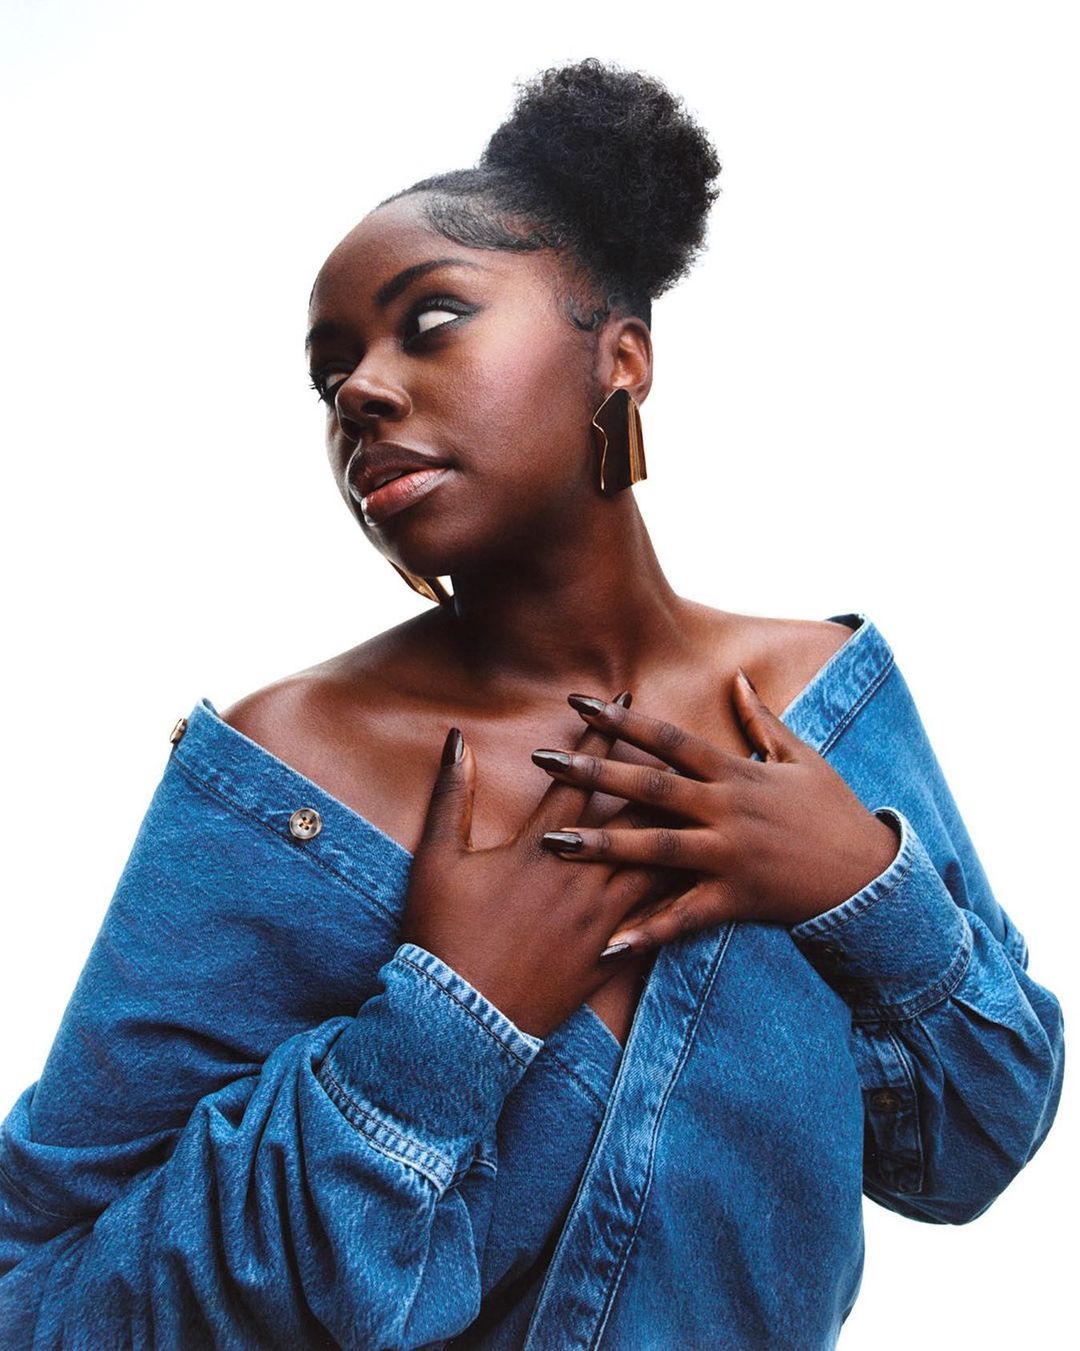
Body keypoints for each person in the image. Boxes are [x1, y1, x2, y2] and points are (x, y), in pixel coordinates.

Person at [0, 58, 1065, 1349]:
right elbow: (35, 1299)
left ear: (622, 359)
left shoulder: (820, 703)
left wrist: (866, 893)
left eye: (430, 320)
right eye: (330, 375)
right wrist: (442, 1031)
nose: (360, 392)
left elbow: (971, 1153)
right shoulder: (294, 773)